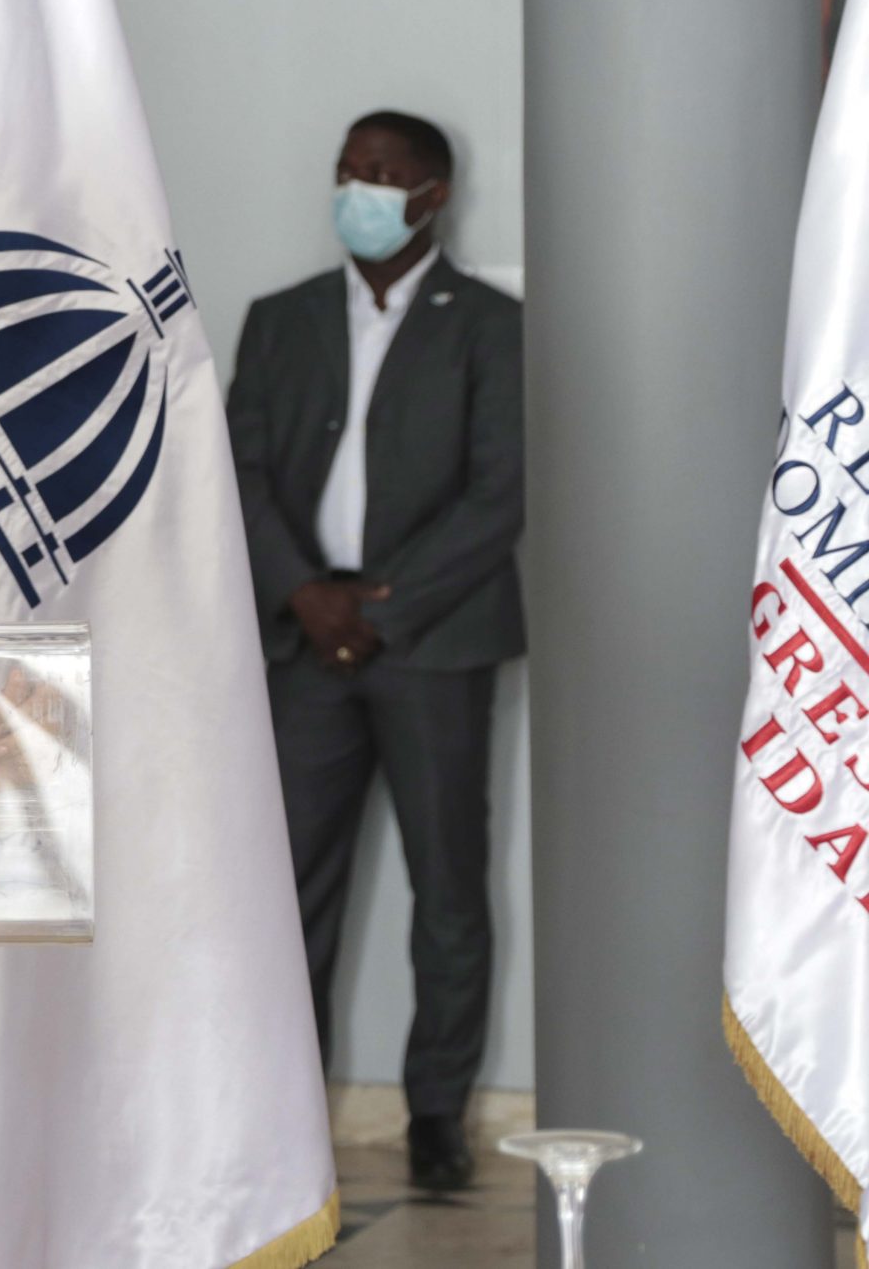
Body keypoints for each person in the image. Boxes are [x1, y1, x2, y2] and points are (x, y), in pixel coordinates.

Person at [225, 108, 524, 1194]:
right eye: (348, 170)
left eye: (382, 175)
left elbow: (501, 495)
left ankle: (436, 1119)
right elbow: (241, 472)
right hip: (306, 646)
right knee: (292, 888)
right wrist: (305, 595)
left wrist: (377, 613)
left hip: (432, 647)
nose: (358, 188)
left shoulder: (491, 325)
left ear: (431, 196)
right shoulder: (281, 319)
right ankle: (285, 1114)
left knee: (448, 889)